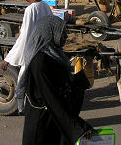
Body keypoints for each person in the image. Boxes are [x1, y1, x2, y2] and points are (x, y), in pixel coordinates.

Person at [16, 15, 94, 144]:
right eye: (62, 33)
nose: (66, 37)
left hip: (55, 122)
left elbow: (63, 83)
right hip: (43, 126)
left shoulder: (55, 55)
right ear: (50, 33)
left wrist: (87, 60)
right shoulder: (40, 62)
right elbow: (52, 99)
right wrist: (78, 127)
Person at [1, 0, 53, 86]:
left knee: (22, 82)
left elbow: (25, 36)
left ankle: (21, 100)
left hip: (32, 51)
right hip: (45, 48)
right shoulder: (45, 5)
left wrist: (9, 58)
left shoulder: (30, 10)